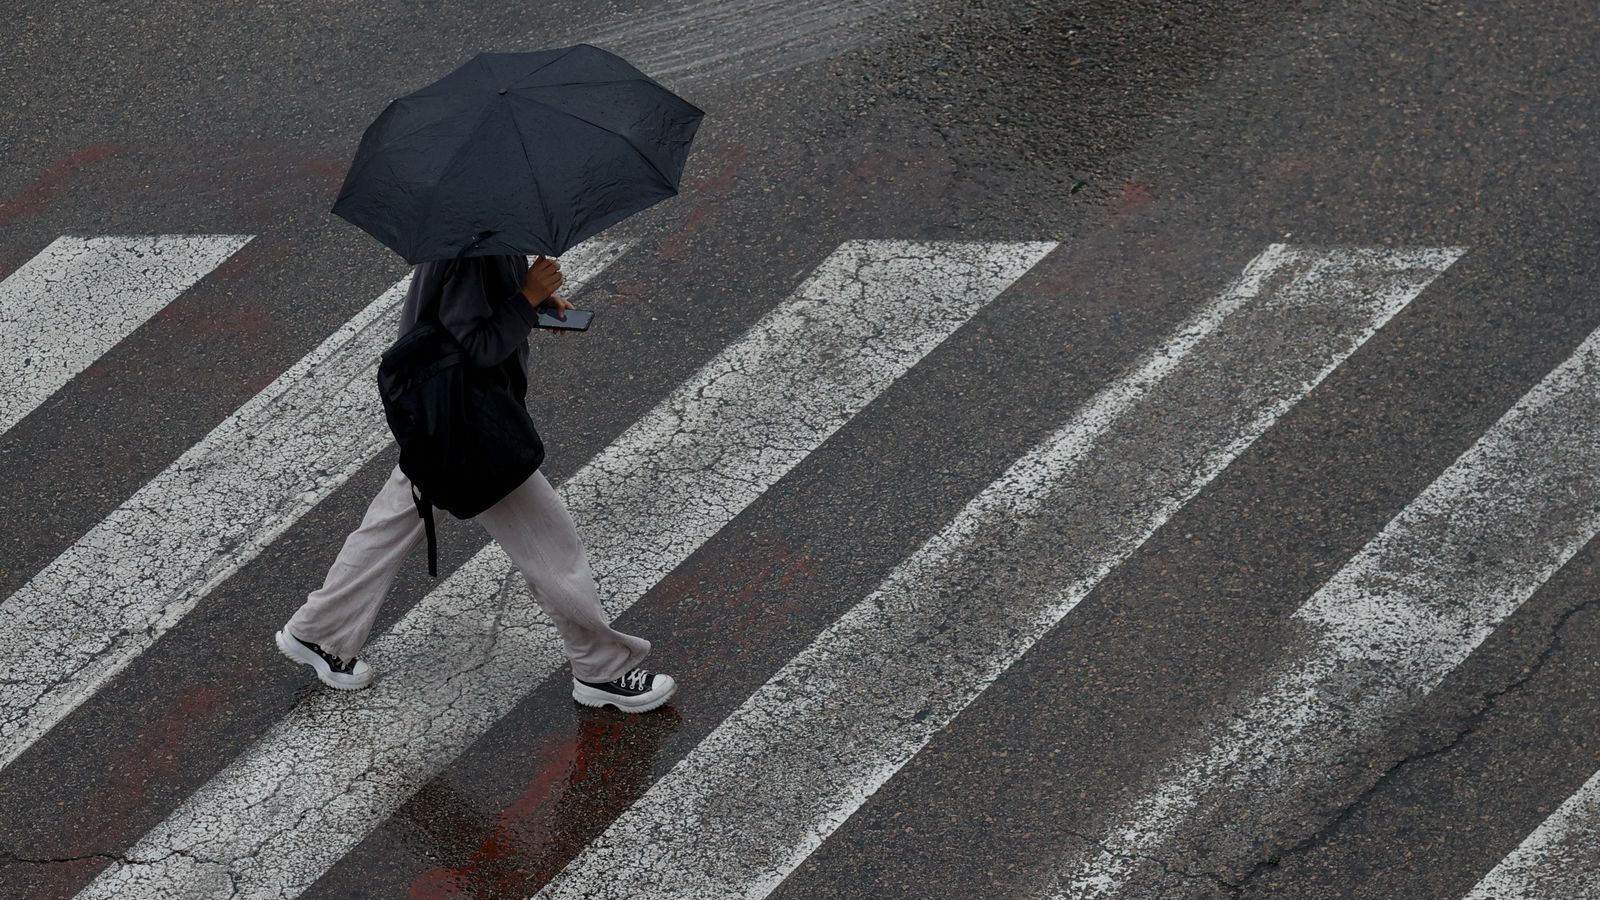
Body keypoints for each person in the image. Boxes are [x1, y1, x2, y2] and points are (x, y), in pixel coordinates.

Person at [274, 251, 675, 713]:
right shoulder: (472, 250)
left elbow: (458, 319)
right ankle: (602, 669)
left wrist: (535, 302)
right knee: (552, 547)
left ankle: (319, 631)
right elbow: (476, 345)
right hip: (471, 430)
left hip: (442, 422)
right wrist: (526, 297)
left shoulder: (475, 234)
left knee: (392, 524)